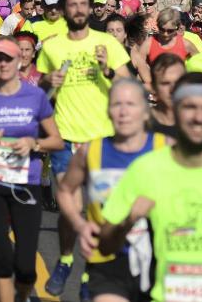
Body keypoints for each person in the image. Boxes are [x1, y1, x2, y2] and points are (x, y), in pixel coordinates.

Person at [97, 73, 202, 302]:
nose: (198, 117)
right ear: (175, 110)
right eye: (189, 107)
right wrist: (128, 220)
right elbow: (105, 245)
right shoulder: (146, 168)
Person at [37, 0, 131, 297]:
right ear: (63, 11)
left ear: (90, 9)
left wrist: (107, 70)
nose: (78, 9)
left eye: (83, 4)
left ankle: (91, 273)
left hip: (102, 140)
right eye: (72, 5)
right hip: (66, 139)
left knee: (99, 213)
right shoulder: (51, 47)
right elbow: (40, 91)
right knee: (70, 210)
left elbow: (128, 84)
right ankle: (65, 260)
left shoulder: (106, 43)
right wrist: (47, 81)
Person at [0, 37, 64, 302]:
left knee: (26, 267)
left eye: (8, 58)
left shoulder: (35, 96)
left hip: (26, 184)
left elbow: (56, 140)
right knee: (2, 259)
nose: (3, 63)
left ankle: (22, 294)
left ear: (20, 61)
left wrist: (34, 142)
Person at [58, 79, 168, 302]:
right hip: (106, 255)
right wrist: (80, 225)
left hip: (159, 257)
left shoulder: (166, 148)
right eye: (117, 104)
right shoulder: (91, 151)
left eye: (131, 104)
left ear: (146, 113)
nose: (124, 112)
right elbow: (65, 190)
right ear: (108, 111)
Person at [150, 53, 186, 139]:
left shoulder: (200, 123)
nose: (172, 89)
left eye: (178, 82)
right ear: (153, 88)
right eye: (165, 83)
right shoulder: (140, 124)